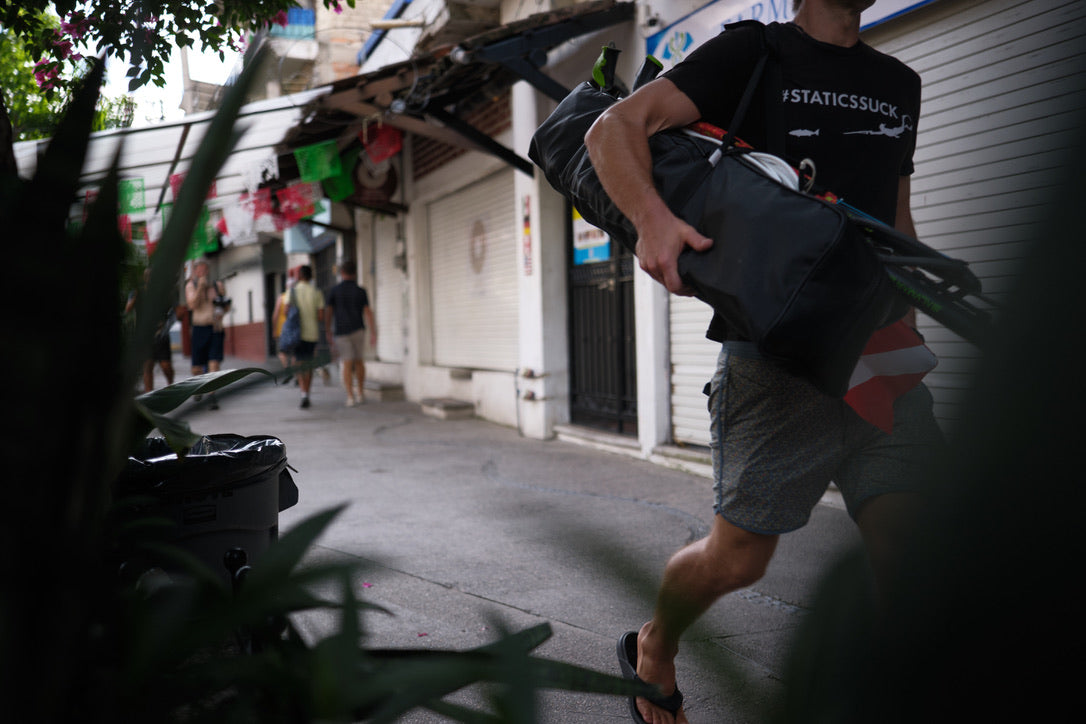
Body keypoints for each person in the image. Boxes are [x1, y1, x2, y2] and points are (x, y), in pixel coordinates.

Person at [583, 2, 944, 722]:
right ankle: (655, 645)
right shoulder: (752, 52)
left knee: (914, 547)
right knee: (740, 558)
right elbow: (610, 129)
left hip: (879, 351)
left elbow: (894, 214)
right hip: (778, 347)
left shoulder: (900, 81)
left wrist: (914, 307)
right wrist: (654, 222)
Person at [324, 259, 377, 407]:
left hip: (341, 332)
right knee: (359, 361)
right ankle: (360, 392)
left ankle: (350, 396)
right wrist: (373, 332)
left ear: (342, 273)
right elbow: (368, 312)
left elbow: (329, 311)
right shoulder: (361, 291)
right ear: (355, 273)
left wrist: (327, 330)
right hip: (358, 329)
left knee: (346, 364)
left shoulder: (334, 291)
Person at [184, 259, 229, 410]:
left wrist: (223, 308)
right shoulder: (191, 286)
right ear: (196, 272)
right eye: (200, 270)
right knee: (197, 367)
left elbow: (225, 305)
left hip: (215, 328)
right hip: (199, 328)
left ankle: (212, 395)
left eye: (205, 270)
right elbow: (192, 305)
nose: (203, 273)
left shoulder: (217, 286)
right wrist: (200, 288)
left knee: (214, 363)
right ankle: (199, 388)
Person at [289, 264, 325, 409]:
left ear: (299, 276)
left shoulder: (293, 292)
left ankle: (302, 392)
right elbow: (321, 315)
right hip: (312, 334)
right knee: (309, 364)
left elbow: (286, 311)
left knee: (299, 363)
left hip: (296, 334)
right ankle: (307, 394)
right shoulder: (316, 292)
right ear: (311, 276)